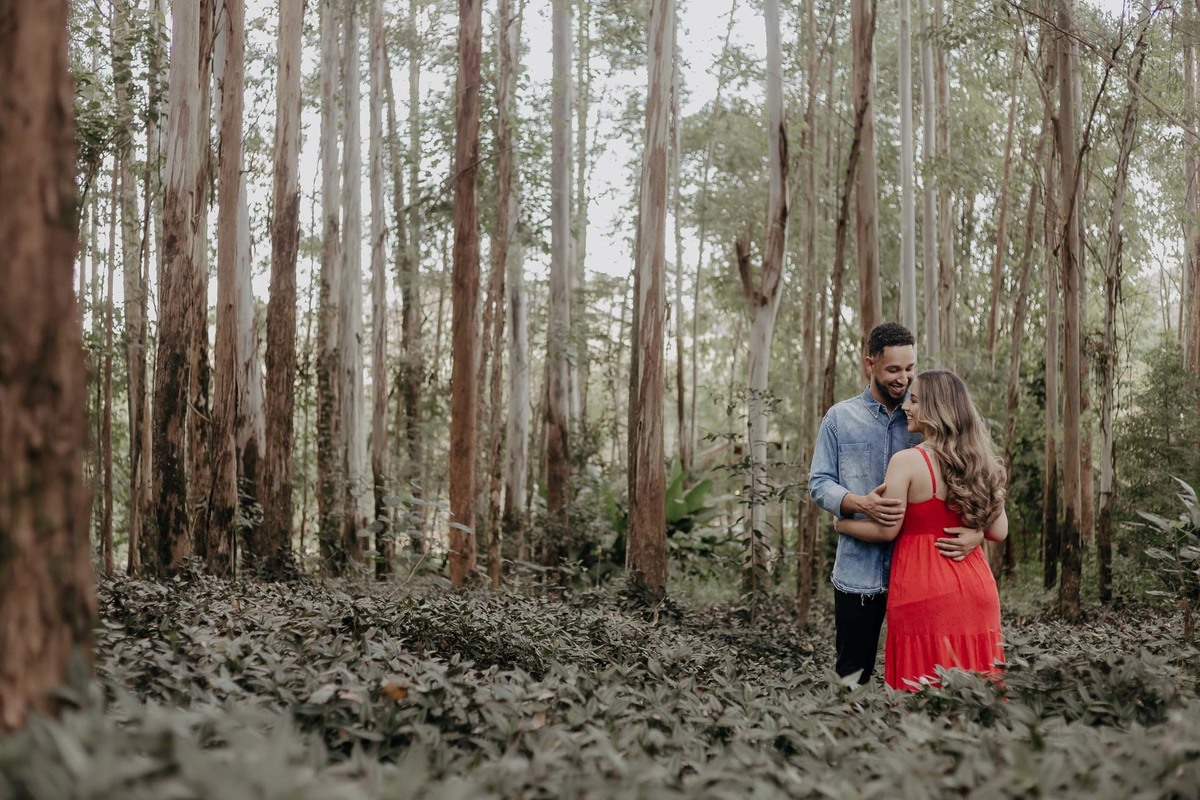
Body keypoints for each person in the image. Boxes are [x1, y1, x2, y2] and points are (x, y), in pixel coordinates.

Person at [809, 322, 983, 684]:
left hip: (921, 575)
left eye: (909, 369)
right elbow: (819, 483)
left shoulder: (926, 416)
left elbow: (969, 475)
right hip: (859, 573)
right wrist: (857, 502)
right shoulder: (839, 419)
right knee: (852, 679)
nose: (903, 379)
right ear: (869, 364)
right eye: (893, 370)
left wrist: (978, 531)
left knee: (922, 675)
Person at [834, 370, 1007, 690]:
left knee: (920, 696)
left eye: (914, 400)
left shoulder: (907, 462)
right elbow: (999, 531)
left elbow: (887, 532)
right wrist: (977, 533)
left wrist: (841, 523)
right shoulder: (983, 462)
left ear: (936, 410)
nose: (905, 407)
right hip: (977, 591)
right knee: (977, 696)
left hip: (922, 591)